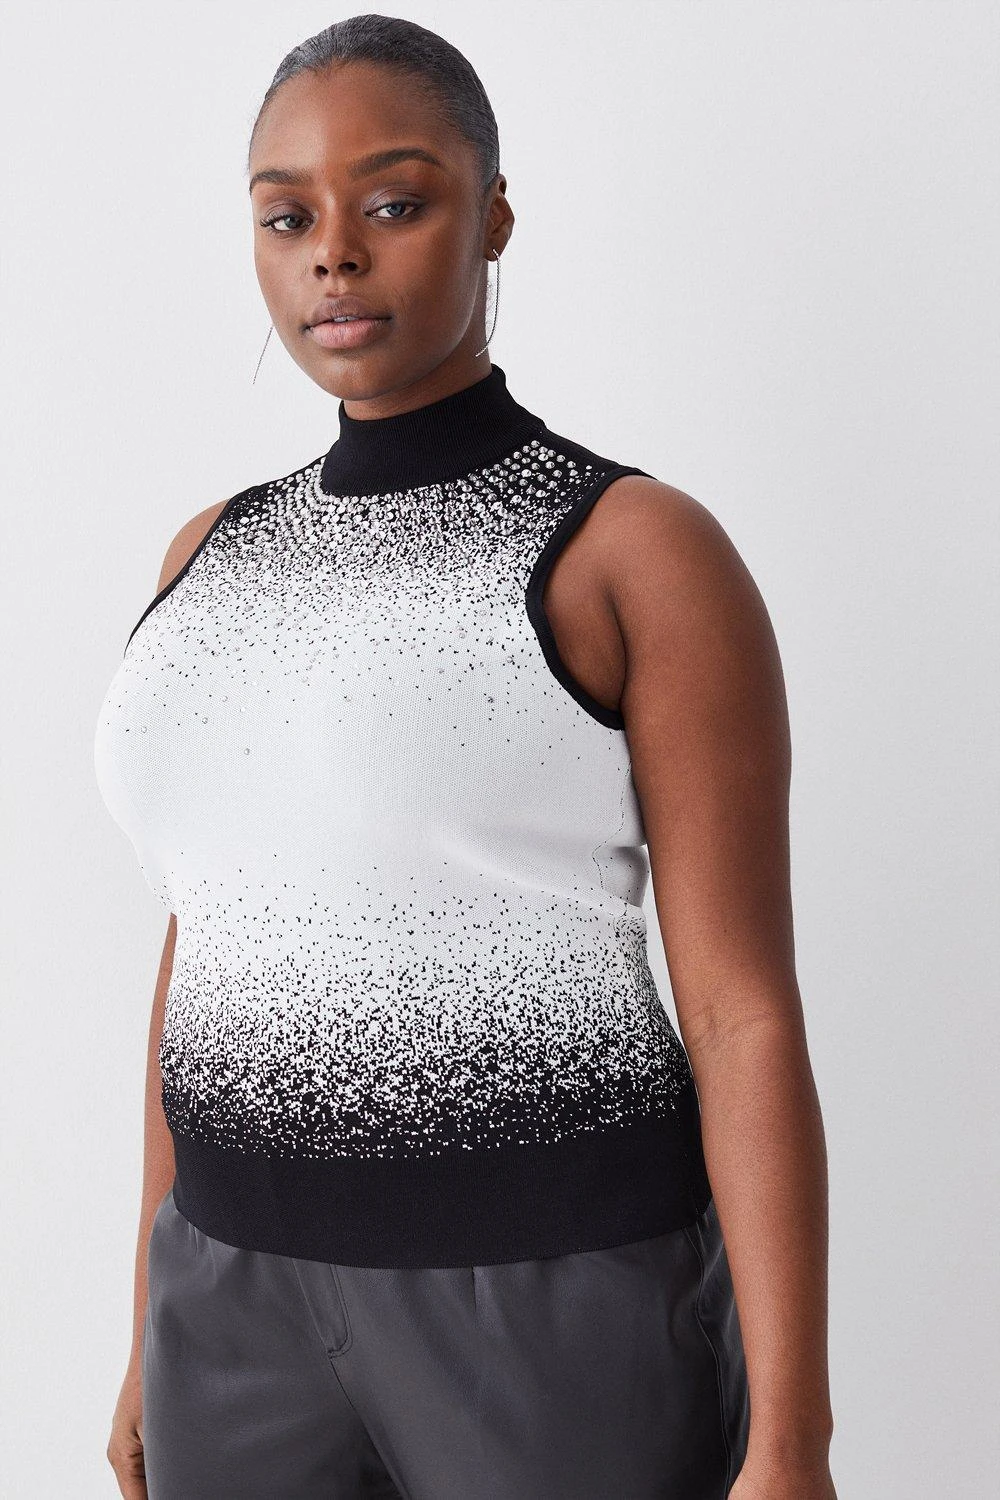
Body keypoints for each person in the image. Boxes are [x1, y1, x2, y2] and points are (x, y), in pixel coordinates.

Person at [96, 14, 837, 1500]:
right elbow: (204, 933)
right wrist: (144, 1329)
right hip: (227, 1300)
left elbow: (740, 1009)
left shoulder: (628, 550)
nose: (334, 255)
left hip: (550, 1303)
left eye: (394, 201)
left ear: (493, 214)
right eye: (287, 217)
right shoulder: (212, 556)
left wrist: (792, 1436)